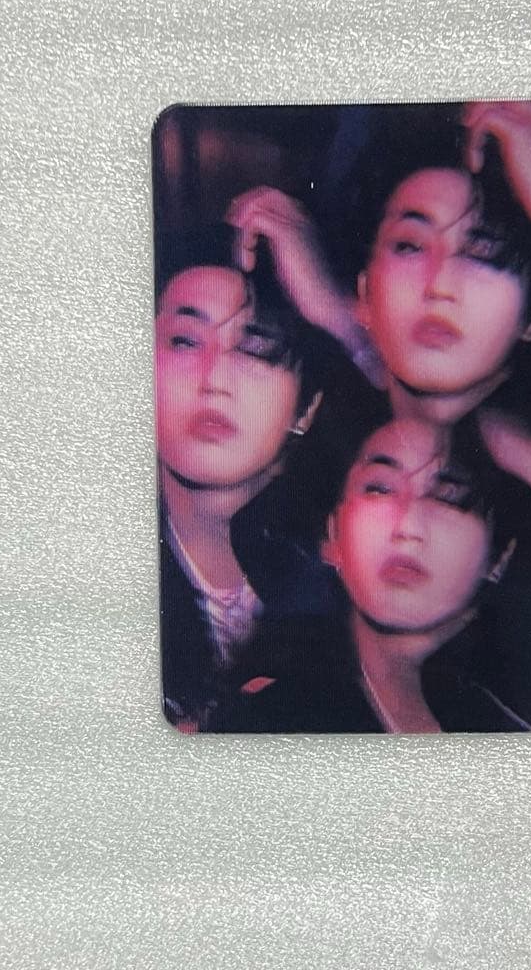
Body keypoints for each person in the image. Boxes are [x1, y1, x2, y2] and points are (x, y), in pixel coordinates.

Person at [225, 102, 531, 521]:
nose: (439, 283)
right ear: (364, 293)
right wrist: (347, 327)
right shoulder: (309, 498)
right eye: (409, 245)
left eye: (481, 252)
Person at [225, 418, 531, 733]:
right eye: (379, 489)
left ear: (498, 556)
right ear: (332, 535)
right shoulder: (269, 722)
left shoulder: (510, 735)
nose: (408, 525)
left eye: (446, 496)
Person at [154, 225, 335, 731]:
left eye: (254, 347)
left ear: (307, 407)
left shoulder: (330, 584)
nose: (214, 377)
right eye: (185, 341)